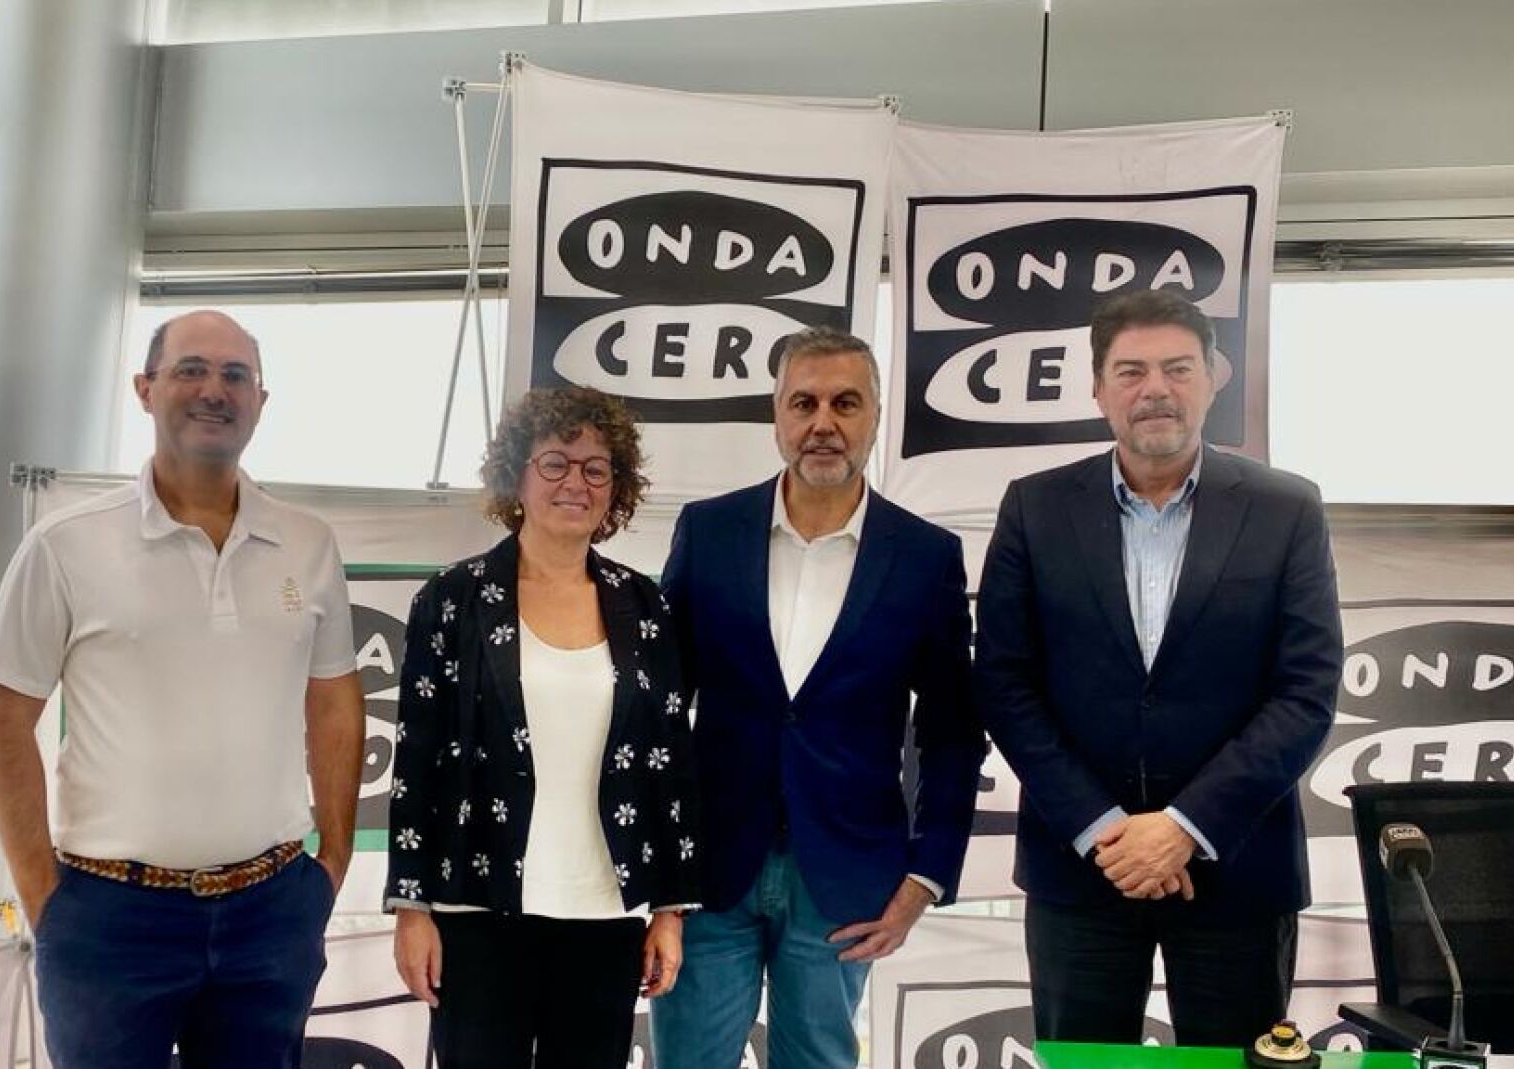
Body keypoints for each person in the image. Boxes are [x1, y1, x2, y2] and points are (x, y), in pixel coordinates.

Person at [0, 310, 366, 1068]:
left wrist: (333, 863)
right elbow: (0, 716)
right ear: (145, 389)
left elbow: (335, 703)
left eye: (235, 375)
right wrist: (44, 897)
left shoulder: (309, 543)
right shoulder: (65, 543)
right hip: (108, 916)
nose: (214, 389)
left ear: (260, 401)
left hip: (273, 911)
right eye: (191, 369)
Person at [975, 289, 1344, 1046]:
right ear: (1098, 388)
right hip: (1083, 872)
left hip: (1237, 867)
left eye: (1178, 368)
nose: (1156, 389)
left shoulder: (1287, 509)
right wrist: (1105, 830)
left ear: (1213, 378)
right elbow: (1006, 684)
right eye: (1131, 371)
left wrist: (1185, 827)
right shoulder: (1035, 509)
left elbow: (1305, 691)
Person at [651, 326, 986, 1069]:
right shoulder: (708, 531)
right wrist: (660, 869)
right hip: (710, 871)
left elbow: (952, 732)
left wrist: (926, 877)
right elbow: (662, 710)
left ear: (875, 416)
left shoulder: (925, 555)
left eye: (846, 403)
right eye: (803, 403)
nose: (823, 423)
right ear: (777, 415)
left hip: (847, 877)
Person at [384, 386, 700, 1069]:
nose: (575, 482)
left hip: (606, 912)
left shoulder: (644, 605)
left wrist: (670, 909)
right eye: (555, 462)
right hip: (475, 907)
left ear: (616, 488)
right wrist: (411, 905)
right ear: (517, 475)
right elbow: (416, 761)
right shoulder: (452, 599)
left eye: (596, 468)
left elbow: (671, 763)